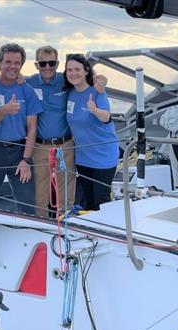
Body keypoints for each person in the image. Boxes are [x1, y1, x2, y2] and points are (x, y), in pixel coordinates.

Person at [26, 46, 108, 218]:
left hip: (65, 144)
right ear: (36, 65)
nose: (47, 67)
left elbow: (85, 78)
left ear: (57, 64)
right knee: (40, 191)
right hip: (40, 146)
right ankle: (41, 224)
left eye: (52, 63)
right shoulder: (29, 82)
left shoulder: (65, 81)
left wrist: (101, 79)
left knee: (67, 190)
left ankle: (67, 224)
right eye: (43, 63)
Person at [0, 43, 42, 215]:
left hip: (19, 153)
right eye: (8, 62)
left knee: (28, 204)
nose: (12, 66)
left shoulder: (27, 90)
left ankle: (28, 236)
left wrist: (26, 160)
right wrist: (5, 110)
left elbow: (32, 127)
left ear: (21, 65)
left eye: (17, 63)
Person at [64, 53, 118, 211]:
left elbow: (106, 117)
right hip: (83, 157)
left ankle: (107, 232)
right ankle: (90, 233)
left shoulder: (97, 91)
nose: (73, 73)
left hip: (103, 156)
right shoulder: (70, 93)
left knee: (101, 199)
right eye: (70, 70)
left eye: (77, 69)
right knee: (87, 200)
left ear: (86, 71)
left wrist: (94, 110)